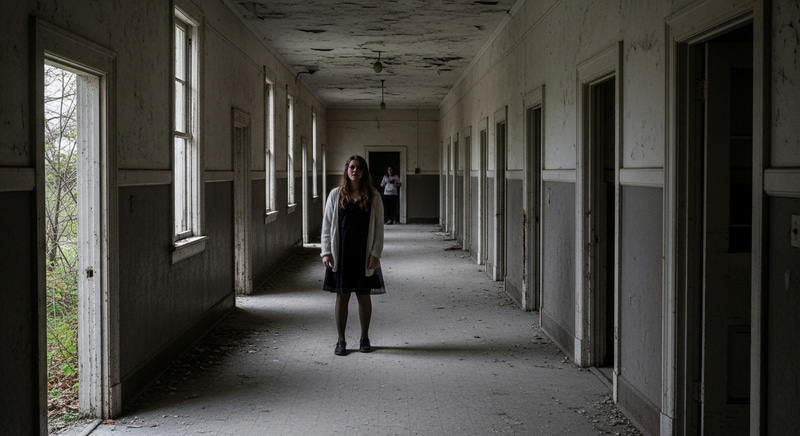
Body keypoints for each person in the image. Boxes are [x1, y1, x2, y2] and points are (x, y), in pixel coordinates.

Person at [321, 155, 385, 356]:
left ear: (364, 172)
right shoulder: (336, 195)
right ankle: (341, 341)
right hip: (342, 253)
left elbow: (379, 228)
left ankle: (364, 338)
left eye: (358, 168)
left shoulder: (373, 196)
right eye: (351, 167)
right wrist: (326, 251)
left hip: (364, 254)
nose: (355, 171)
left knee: (363, 296)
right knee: (342, 296)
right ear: (346, 170)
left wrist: (376, 253)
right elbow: (327, 224)